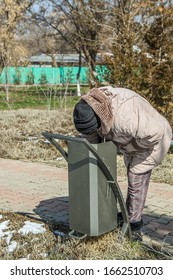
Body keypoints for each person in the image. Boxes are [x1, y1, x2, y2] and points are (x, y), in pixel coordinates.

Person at [73, 86, 172, 239]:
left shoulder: (125, 119)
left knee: (135, 177)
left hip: (152, 142)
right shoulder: (88, 108)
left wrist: (131, 146)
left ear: (100, 118)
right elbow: (91, 135)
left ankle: (134, 224)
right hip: (135, 138)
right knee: (132, 175)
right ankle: (127, 213)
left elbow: (155, 133)